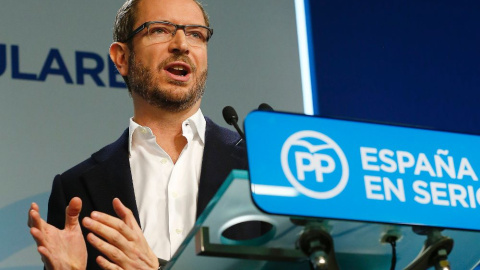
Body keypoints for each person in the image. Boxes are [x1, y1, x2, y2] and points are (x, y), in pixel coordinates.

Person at [27, 0, 252, 269]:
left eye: (196, 34)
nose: (182, 44)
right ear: (122, 58)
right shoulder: (76, 188)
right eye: (159, 30)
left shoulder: (260, 167)